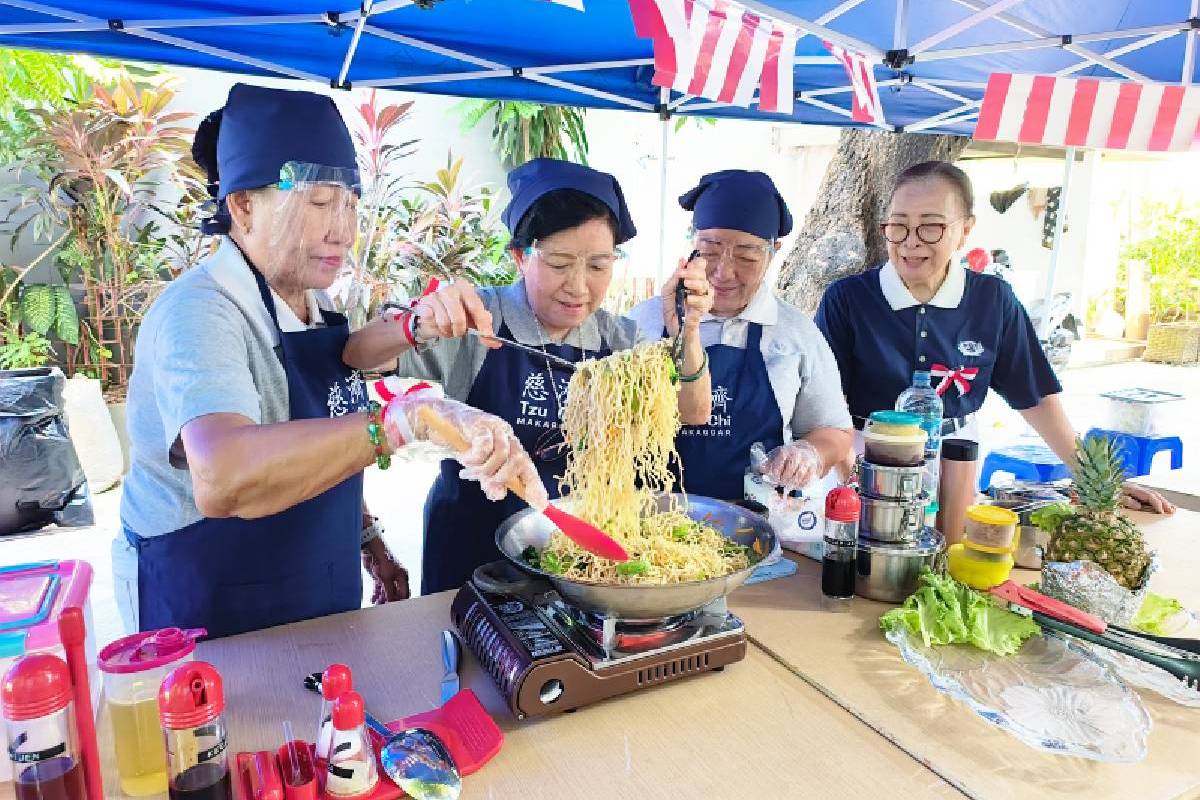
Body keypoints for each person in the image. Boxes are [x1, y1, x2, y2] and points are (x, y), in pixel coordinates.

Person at [115, 84, 545, 639]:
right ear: (243, 206)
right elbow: (223, 477)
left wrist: (367, 538)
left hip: (312, 585)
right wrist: (406, 420)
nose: (342, 230)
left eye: (350, 204)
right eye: (319, 203)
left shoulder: (310, 299)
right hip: (212, 605)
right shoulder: (200, 313)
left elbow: (339, 372)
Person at [343, 157, 714, 594]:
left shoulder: (620, 339)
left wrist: (688, 330)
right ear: (520, 256)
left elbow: (693, 412)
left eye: (598, 265)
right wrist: (416, 324)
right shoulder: (479, 319)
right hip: (473, 551)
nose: (578, 286)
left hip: (578, 558)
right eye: (559, 263)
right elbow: (357, 356)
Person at [815, 160, 1174, 513]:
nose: (910, 243)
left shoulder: (993, 300)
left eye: (931, 227)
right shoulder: (848, 300)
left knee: (950, 552)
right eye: (898, 226)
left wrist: (1098, 479)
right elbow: (825, 408)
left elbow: (1034, 396)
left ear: (966, 230)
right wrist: (856, 481)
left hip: (956, 456)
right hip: (867, 457)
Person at [627, 170, 853, 502]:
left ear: (773, 252)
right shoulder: (642, 323)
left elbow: (835, 431)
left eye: (747, 256)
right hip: (646, 519)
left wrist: (809, 453)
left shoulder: (795, 334)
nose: (724, 272)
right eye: (710, 250)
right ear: (693, 242)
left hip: (751, 527)